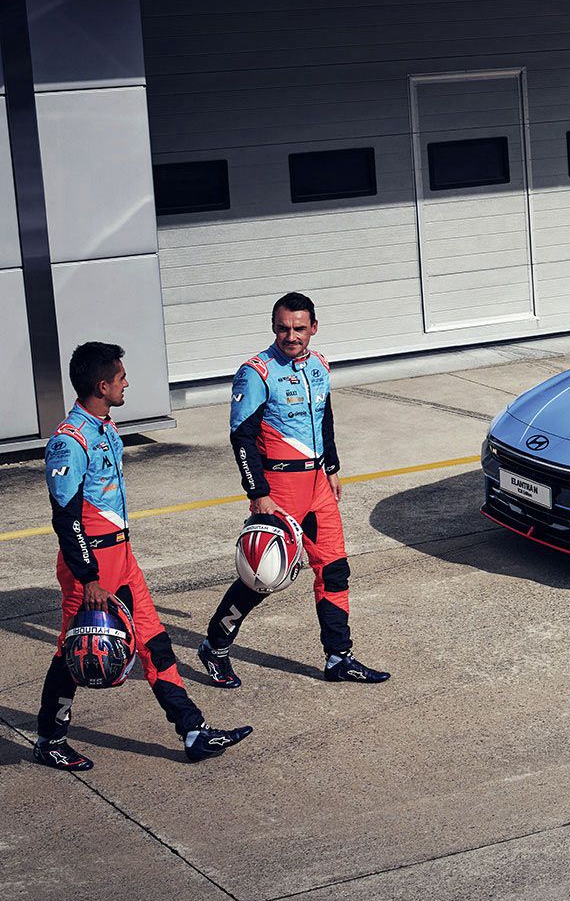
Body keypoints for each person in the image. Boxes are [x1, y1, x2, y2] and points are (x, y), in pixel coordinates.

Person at [36, 342, 253, 770]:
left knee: (155, 642)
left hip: (123, 559)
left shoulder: (105, 427)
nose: (126, 382)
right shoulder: (70, 442)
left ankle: (192, 730)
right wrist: (88, 578)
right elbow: (66, 518)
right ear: (102, 385)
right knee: (74, 652)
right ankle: (50, 738)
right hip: (92, 568)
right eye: (120, 377)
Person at [198, 292, 389, 686]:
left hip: (318, 485)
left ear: (313, 328)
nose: (291, 336)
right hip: (279, 490)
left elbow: (325, 417)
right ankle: (214, 646)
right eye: (284, 328)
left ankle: (339, 657)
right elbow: (242, 437)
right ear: (274, 327)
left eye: (299, 328)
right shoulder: (256, 372)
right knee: (262, 577)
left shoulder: (319, 364)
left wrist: (332, 467)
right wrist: (257, 492)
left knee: (334, 570)